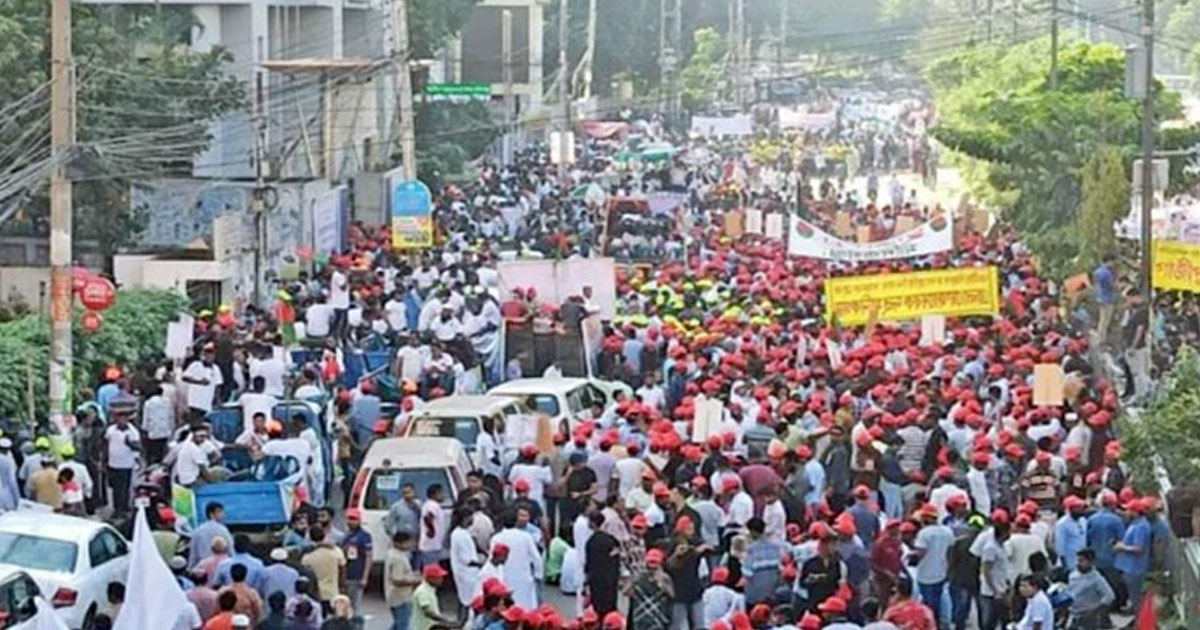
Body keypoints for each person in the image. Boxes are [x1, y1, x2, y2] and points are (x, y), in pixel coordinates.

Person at [301, 527, 346, 615]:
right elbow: (343, 570)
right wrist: (342, 587)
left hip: (316, 594)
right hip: (333, 591)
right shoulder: (336, 551)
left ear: (310, 537)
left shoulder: (308, 556)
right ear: (324, 535)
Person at [584, 511, 620, 616]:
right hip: (611, 580)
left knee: (598, 610)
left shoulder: (591, 542)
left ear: (593, 523)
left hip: (596, 582)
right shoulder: (611, 540)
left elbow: (589, 564)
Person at [1067, 548, 1114, 630]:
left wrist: (1095, 611)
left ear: (1090, 562)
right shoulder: (1073, 575)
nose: (1078, 563)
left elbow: (1109, 596)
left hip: (1089, 618)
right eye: (1078, 560)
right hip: (1074, 614)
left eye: (1082, 561)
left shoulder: (1097, 579)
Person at [626, 548, 673, 630]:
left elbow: (672, 595)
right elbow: (626, 592)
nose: (652, 565)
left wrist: (662, 584)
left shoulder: (665, 577)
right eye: (651, 562)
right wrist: (633, 582)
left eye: (655, 562)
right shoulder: (639, 576)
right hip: (640, 617)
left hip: (658, 616)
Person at [103, 411, 140, 515]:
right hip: (113, 464)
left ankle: (123, 508)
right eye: (119, 418)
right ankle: (116, 508)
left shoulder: (133, 432)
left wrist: (129, 444)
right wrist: (104, 461)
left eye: (124, 418)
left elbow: (138, 447)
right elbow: (105, 446)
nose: (121, 420)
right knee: (115, 488)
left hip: (126, 464)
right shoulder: (110, 430)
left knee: (124, 488)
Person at [386, 531, 421, 630]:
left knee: (398, 624)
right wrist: (416, 581)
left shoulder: (392, 553)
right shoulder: (398, 558)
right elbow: (397, 580)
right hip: (401, 597)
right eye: (407, 542)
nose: (410, 545)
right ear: (398, 543)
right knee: (403, 624)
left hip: (393, 595)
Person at [341, 508, 373, 615]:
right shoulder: (345, 536)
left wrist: (365, 577)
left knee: (355, 606)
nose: (351, 521)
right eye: (349, 519)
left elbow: (369, 556)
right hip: (346, 574)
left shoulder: (364, 536)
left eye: (354, 519)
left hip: (357, 574)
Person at [412, 564, 457, 630]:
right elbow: (427, 611)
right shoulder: (423, 591)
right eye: (438, 577)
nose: (441, 580)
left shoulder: (430, 589)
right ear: (430, 578)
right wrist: (444, 619)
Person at [191, 502, 234, 569]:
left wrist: (191, 568)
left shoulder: (197, 531)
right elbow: (230, 550)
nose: (222, 514)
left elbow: (193, 553)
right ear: (211, 514)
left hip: (202, 568)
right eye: (219, 512)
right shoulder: (223, 530)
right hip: (220, 567)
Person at [417, 484, 448, 569]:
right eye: (441, 493)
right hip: (430, 545)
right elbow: (428, 517)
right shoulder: (432, 505)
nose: (443, 495)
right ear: (435, 494)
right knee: (431, 569)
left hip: (434, 545)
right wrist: (431, 530)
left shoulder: (434, 505)